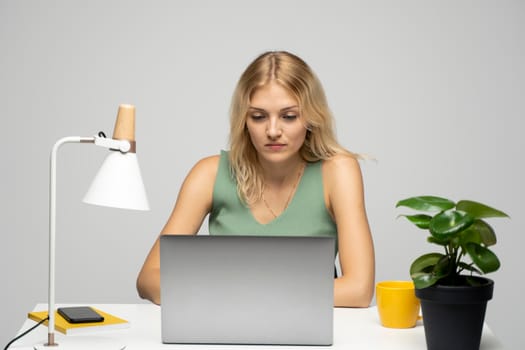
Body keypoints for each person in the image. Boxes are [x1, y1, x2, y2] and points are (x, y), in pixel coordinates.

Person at [136, 51, 375, 307]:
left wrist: (242, 295)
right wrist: (258, 298)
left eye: (289, 116)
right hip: (226, 326)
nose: (273, 131)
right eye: (259, 117)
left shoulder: (338, 171)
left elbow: (359, 290)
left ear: (311, 118)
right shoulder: (209, 174)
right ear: (244, 120)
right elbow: (148, 280)